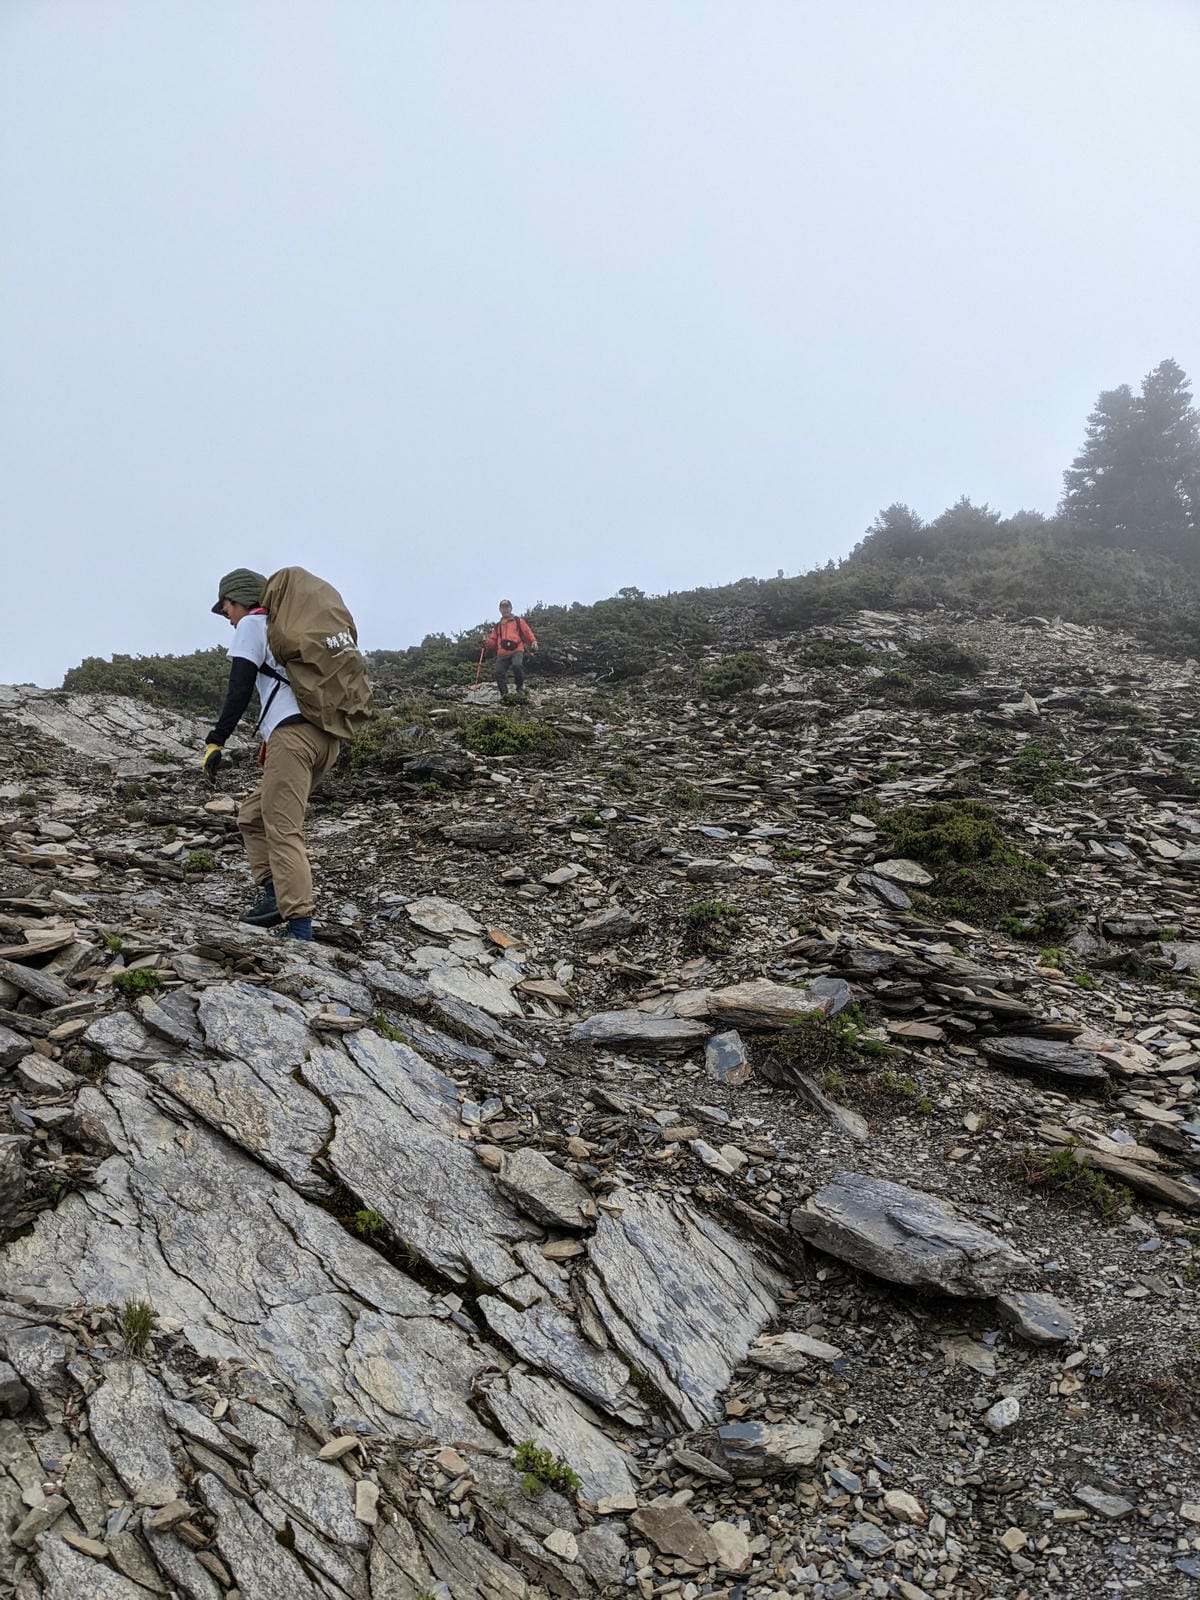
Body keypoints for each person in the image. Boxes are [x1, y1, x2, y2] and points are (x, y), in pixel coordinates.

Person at [201, 568, 341, 940]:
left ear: (239, 601)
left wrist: (216, 740)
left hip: (293, 737)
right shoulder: (288, 629)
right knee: (252, 815)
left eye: (226, 608)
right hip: (326, 740)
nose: (227, 618)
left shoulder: (253, 624)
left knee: (283, 829)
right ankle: (273, 894)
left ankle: (299, 930)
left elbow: (239, 688)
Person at [483, 600, 538, 697]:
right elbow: (492, 642)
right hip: (502, 653)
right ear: (500, 610)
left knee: (517, 665)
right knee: (498, 673)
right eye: (503, 608)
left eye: (507, 607)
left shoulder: (518, 621)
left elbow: (527, 632)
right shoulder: (497, 626)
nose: (505, 610)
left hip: (517, 649)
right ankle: (505, 695)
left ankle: (519, 688)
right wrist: (486, 641)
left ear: (511, 608)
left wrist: (533, 641)